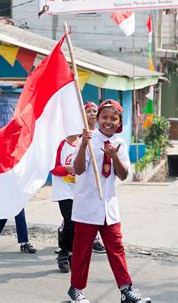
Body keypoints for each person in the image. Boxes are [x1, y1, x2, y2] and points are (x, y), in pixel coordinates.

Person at [67, 99, 150, 303]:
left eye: (114, 118)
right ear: (98, 118)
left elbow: (122, 175)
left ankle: (126, 289)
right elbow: (77, 170)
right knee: (82, 250)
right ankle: (76, 289)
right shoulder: (87, 138)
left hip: (109, 207)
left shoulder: (119, 143)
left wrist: (114, 157)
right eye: (104, 117)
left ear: (119, 121)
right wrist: (84, 143)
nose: (108, 122)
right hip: (87, 205)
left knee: (117, 248)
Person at [51, 134, 79, 273]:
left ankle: (73, 253)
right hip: (64, 191)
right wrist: (68, 169)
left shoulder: (84, 143)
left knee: (77, 224)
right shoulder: (61, 144)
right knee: (70, 220)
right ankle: (64, 252)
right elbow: (52, 167)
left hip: (80, 191)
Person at [84, 101, 106, 254]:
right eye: (89, 111)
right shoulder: (82, 135)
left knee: (98, 206)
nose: (92, 114)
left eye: (94, 111)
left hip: (99, 179)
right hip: (83, 180)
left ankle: (95, 239)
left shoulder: (101, 135)